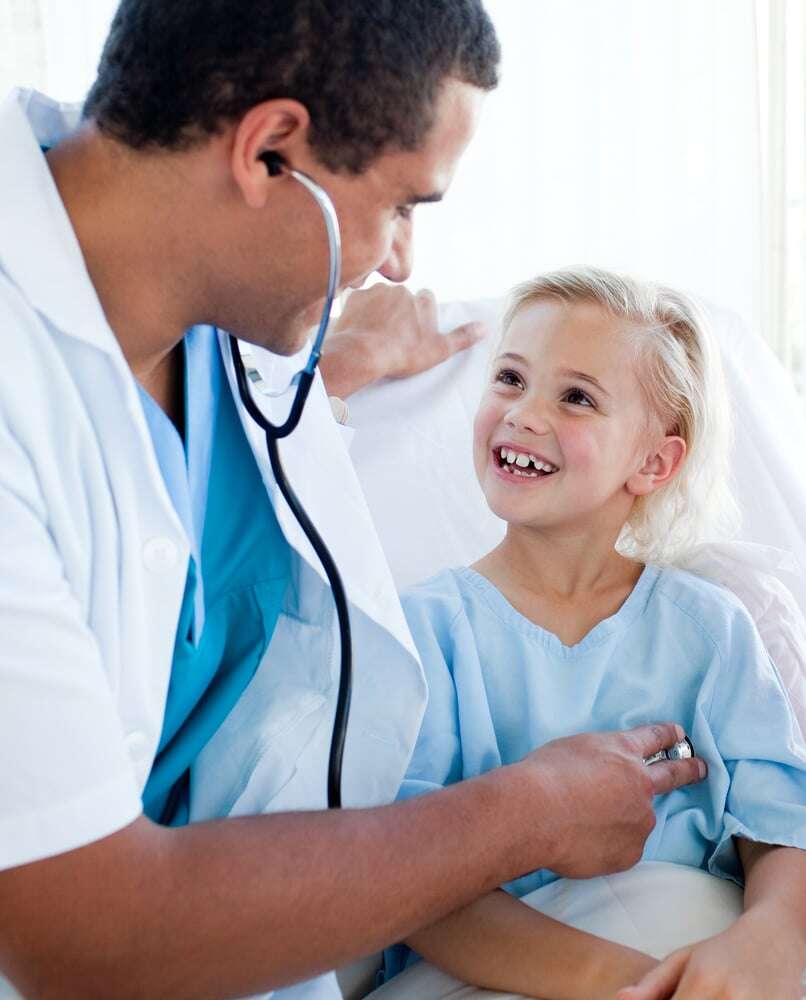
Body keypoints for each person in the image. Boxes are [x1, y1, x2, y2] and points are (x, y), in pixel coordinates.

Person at [0, 5, 705, 998]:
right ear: (271, 150)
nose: (402, 261)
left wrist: (334, 361)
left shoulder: (213, 322)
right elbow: (80, 932)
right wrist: (521, 817)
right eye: (404, 205)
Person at [380, 267, 806, 999]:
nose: (523, 414)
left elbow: (782, 825)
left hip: (689, 948)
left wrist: (766, 938)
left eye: (575, 397)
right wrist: (635, 984)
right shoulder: (425, 632)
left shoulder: (710, 629)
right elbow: (408, 884)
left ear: (654, 462)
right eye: (510, 379)